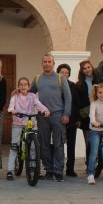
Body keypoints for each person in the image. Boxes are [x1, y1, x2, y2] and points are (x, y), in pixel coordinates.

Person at [31, 53, 72, 182]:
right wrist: (18, 93)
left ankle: (59, 171)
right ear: (42, 63)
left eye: (49, 61)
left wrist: (66, 114)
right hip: (42, 116)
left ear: (53, 64)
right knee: (44, 144)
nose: (47, 63)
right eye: (45, 61)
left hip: (58, 115)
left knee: (59, 143)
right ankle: (48, 170)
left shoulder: (61, 78)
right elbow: (30, 94)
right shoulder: (37, 79)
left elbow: (68, 97)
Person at [6, 77, 50, 180]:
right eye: (21, 84)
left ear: (29, 86)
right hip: (18, 123)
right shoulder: (15, 96)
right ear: (18, 86)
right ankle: (10, 170)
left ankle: (34, 169)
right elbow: (11, 106)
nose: (23, 86)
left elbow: (39, 105)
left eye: (25, 84)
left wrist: (45, 110)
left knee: (34, 147)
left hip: (30, 123)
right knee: (14, 147)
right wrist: (12, 110)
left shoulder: (33, 96)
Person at [57, 63, 80, 177]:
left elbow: (77, 104)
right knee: (57, 145)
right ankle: (57, 168)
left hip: (72, 121)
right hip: (57, 120)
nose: (64, 74)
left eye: (66, 73)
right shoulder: (55, 85)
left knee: (71, 146)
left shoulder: (74, 86)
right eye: (62, 72)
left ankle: (70, 169)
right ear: (58, 73)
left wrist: (77, 118)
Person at [76, 60, 99, 171]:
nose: (87, 70)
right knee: (89, 142)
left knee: (100, 142)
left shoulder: (99, 81)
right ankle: (90, 166)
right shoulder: (79, 85)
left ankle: (99, 163)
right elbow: (78, 103)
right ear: (82, 71)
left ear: (92, 67)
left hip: (100, 115)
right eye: (84, 68)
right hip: (86, 117)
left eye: (88, 67)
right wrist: (79, 117)